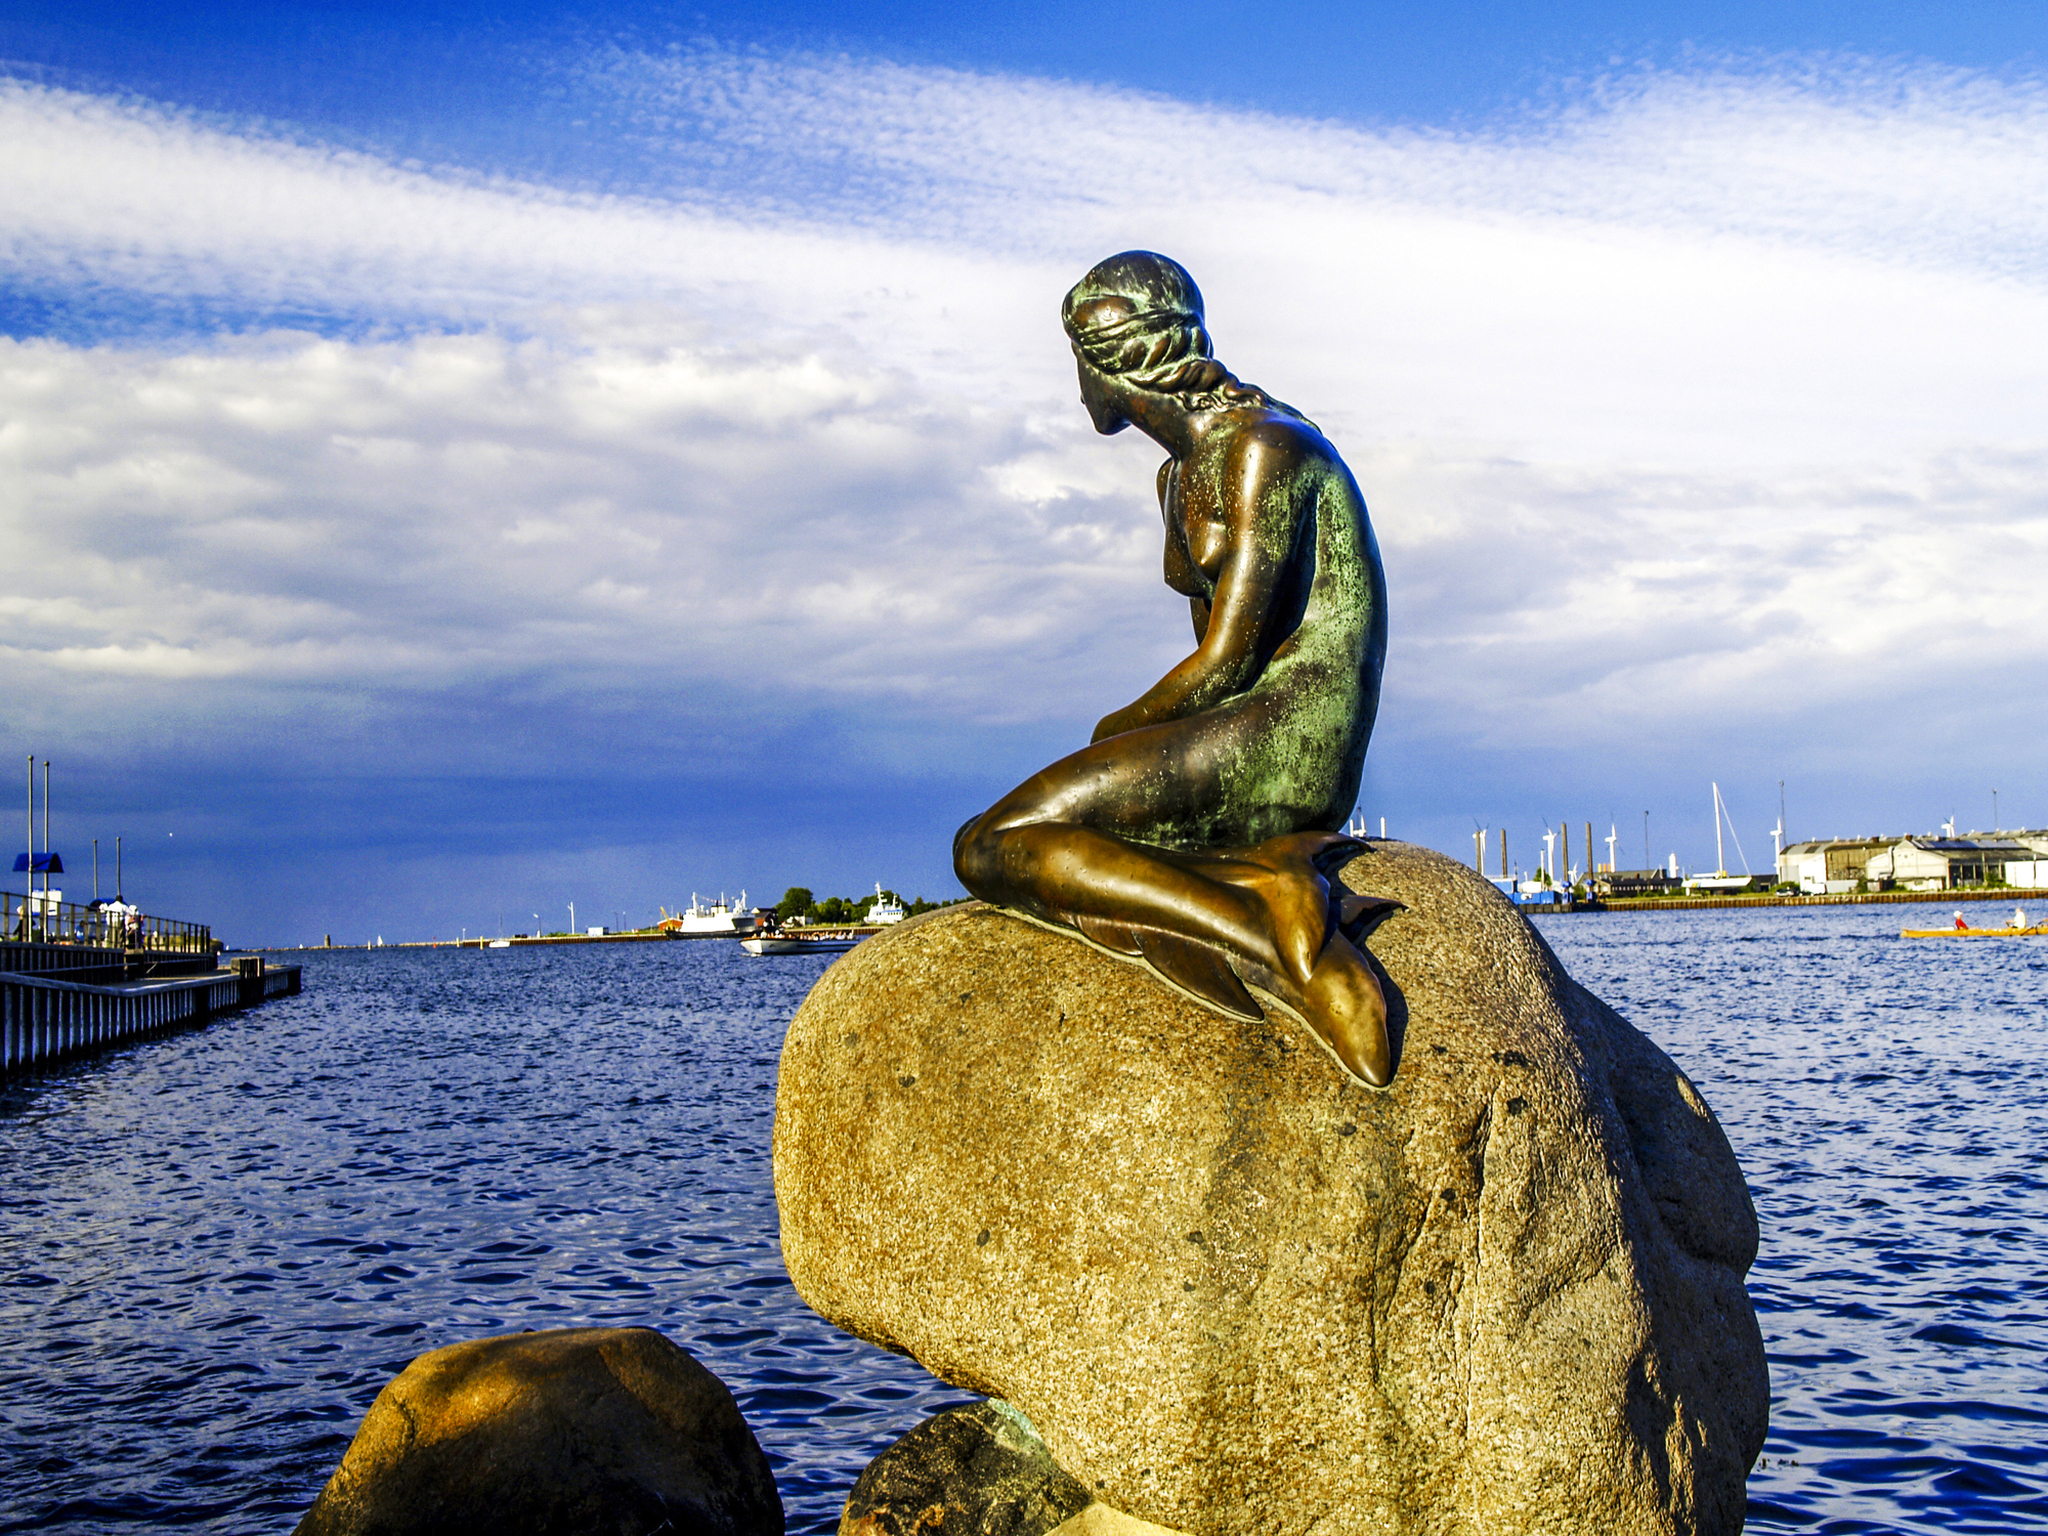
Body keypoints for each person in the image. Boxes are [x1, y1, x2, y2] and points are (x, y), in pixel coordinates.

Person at [954, 253, 1395, 1087]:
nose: (1077, 386)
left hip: (1295, 736)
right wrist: (1121, 758)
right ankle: (1253, 887)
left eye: (1078, 364)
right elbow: (1210, 662)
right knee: (999, 841)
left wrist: (1108, 741)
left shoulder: (1271, 449)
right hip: (1239, 728)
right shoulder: (1179, 474)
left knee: (994, 843)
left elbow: (1229, 661)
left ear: (1112, 360)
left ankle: (1268, 932)